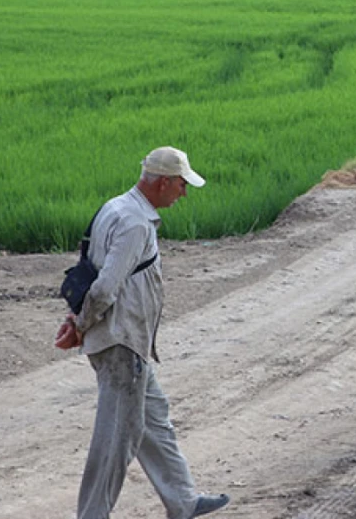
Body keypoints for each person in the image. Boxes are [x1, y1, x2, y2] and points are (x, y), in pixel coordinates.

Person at [64, 146, 229, 519]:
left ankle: (183, 501)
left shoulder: (115, 207)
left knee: (154, 420)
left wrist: (76, 319)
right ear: (165, 182)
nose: (183, 193)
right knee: (117, 438)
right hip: (121, 342)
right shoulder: (136, 223)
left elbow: (84, 270)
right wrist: (79, 325)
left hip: (127, 343)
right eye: (182, 185)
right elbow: (104, 288)